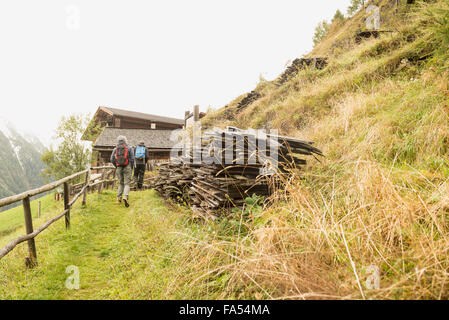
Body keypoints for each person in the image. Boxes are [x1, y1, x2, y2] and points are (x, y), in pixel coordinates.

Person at [110, 135, 134, 207]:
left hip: (119, 167)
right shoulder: (129, 148)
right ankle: (125, 196)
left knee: (121, 183)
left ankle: (118, 198)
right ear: (125, 140)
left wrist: (116, 166)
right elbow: (132, 159)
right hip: (127, 166)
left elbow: (111, 159)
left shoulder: (115, 149)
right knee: (127, 183)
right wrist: (130, 167)